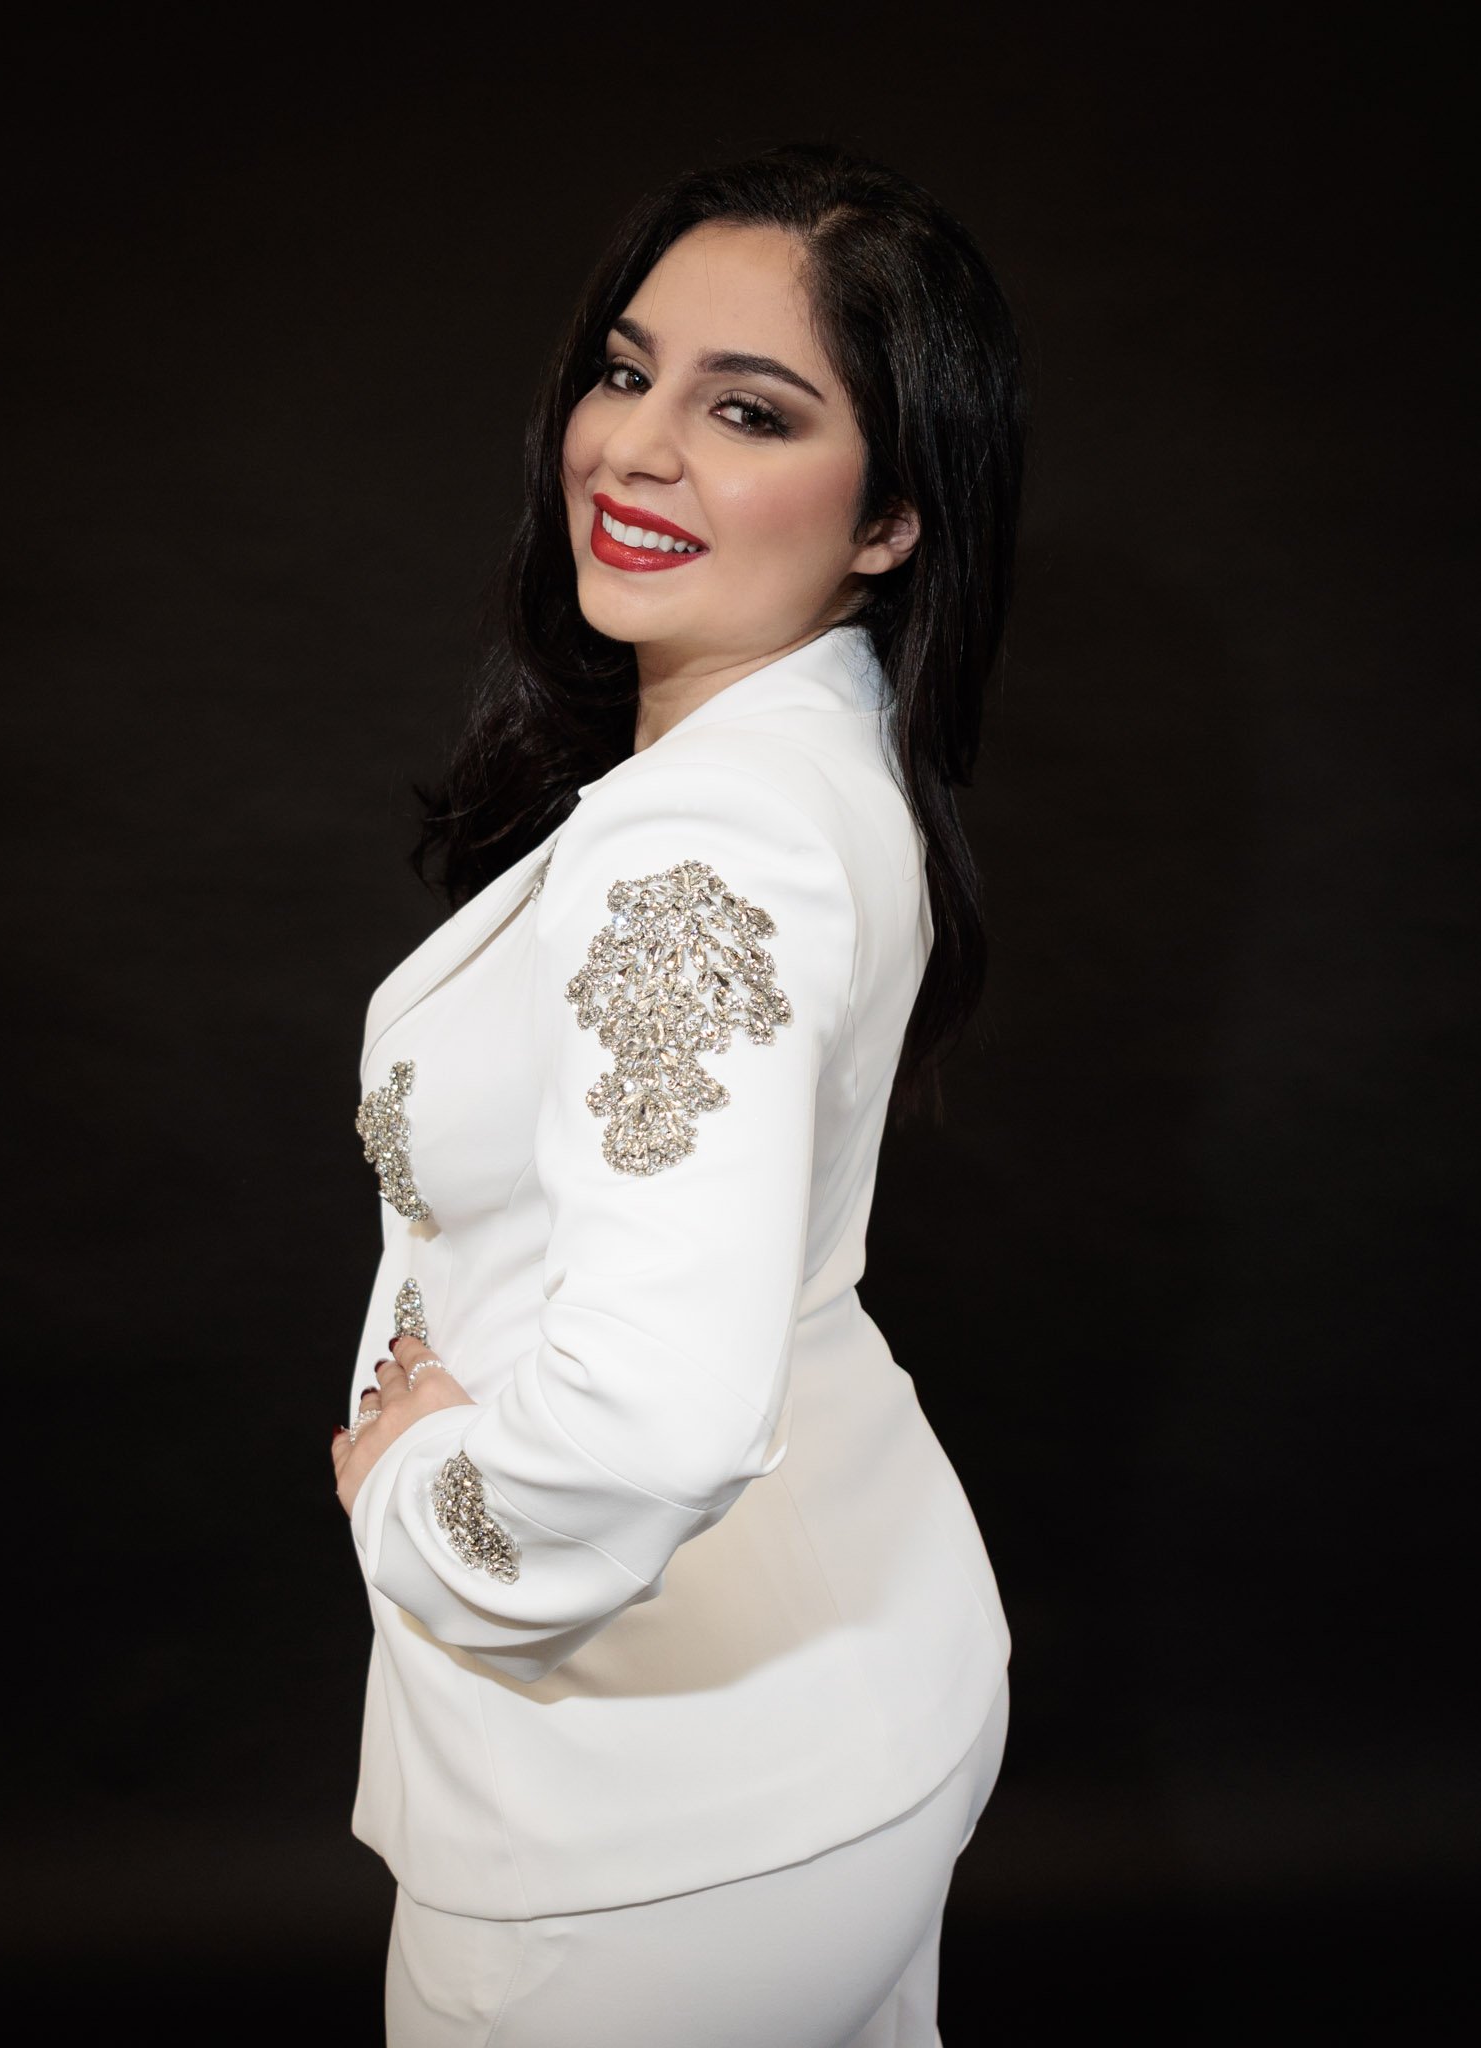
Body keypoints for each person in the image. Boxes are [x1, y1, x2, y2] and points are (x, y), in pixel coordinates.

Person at [329, 140, 1026, 2047]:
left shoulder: (699, 852)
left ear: (889, 519)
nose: (635, 447)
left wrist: (422, 1506)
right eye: (625, 371)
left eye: (748, 410)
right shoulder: (814, 751)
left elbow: (645, 1426)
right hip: (848, 1685)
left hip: (653, 1817)